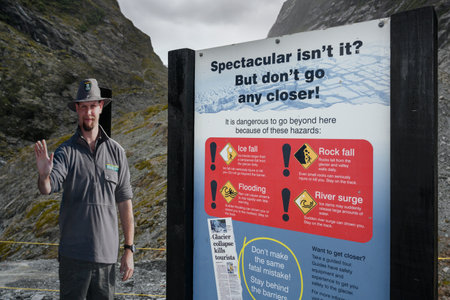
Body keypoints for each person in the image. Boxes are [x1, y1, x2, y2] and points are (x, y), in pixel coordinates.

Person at [34, 78, 135, 299]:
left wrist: (129, 249)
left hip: (106, 259)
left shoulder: (117, 152)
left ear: (100, 107)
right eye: (83, 107)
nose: (88, 112)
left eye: (92, 106)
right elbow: (48, 187)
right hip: (73, 258)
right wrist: (44, 175)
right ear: (77, 110)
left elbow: (125, 202)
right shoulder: (65, 152)